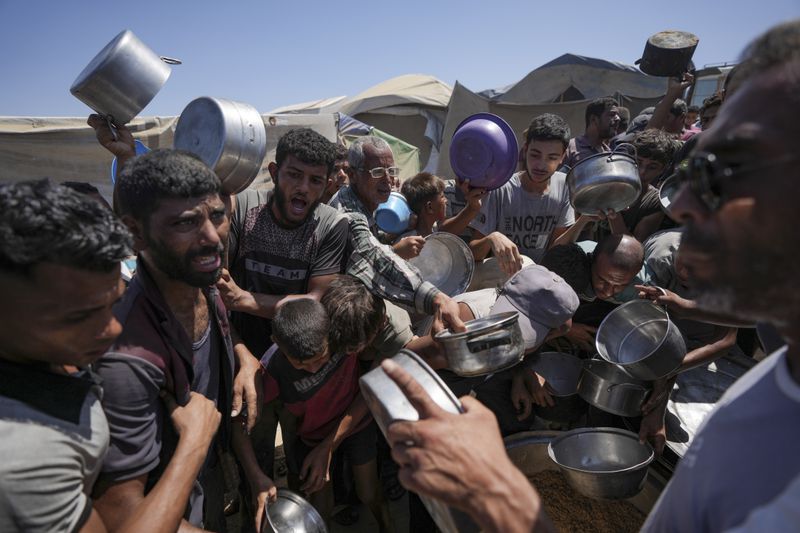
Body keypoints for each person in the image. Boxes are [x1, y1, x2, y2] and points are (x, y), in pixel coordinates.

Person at [379, 20, 800, 532]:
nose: (684, 205)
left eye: (730, 171)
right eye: (700, 170)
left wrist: (501, 499)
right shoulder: (774, 382)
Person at [0, 180, 222, 533]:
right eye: (79, 316)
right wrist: (194, 443)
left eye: (114, 302)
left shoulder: (49, 350)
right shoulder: (24, 459)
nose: (113, 329)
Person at [90, 149, 257, 531]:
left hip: (208, 479)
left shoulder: (203, 279)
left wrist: (244, 359)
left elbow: (222, 334)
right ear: (134, 232)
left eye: (217, 215)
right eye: (186, 223)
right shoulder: (126, 359)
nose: (212, 237)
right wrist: (196, 441)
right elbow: (124, 518)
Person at [234, 278, 393, 532]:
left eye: (321, 358)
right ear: (277, 341)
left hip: (355, 423)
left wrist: (328, 447)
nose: (313, 368)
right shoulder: (271, 371)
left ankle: (388, 527)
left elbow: (370, 384)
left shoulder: (341, 335)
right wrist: (256, 477)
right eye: (301, 364)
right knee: (318, 506)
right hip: (311, 439)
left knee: (368, 491)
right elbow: (239, 426)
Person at [329, 136, 465, 330]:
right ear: (353, 174)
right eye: (377, 172)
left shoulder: (372, 203)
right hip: (347, 308)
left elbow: (374, 239)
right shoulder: (347, 212)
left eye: (391, 171)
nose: (388, 179)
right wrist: (435, 297)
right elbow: (371, 257)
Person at [467, 113, 575, 286]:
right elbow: (473, 254)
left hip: (541, 279)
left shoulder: (564, 186)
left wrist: (585, 219)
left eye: (552, 158)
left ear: (563, 157)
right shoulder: (501, 188)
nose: (541, 165)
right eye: (535, 154)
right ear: (525, 150)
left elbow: (556, 251)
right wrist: (492, 238)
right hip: (502, 279)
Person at [542, 234, 644, 353]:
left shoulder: (639, 290)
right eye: (602, 280)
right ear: (591, 260)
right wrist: (567, 329)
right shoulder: (569, 266)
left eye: (619, 285)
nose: (608, 292)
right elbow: (537, 305)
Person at [563, 97, 620, 168]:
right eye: (612, 114)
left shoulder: (608, 153)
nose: (618, 118)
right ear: (593, 119)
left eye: (617, 115)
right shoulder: (570, 149)